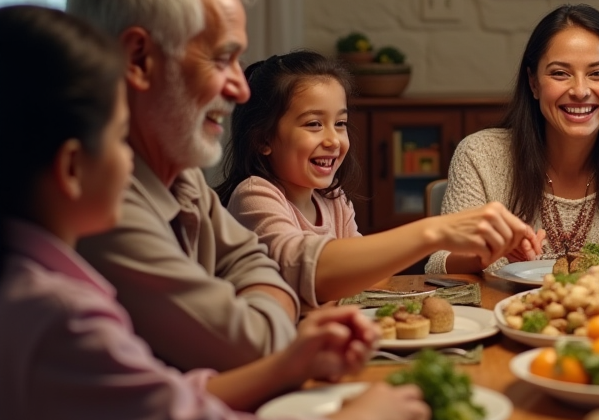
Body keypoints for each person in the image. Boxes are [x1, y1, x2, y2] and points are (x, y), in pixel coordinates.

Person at [0, 5, 432, 420]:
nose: (132, 160)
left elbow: (160, 402)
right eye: (120, 139)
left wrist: (289, 364)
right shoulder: (55, 317)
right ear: (71, 168)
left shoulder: (46, 289)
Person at [68, 0, 300, 372]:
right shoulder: (103, 203)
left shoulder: (177, 169)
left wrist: (258, 306)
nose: (242, 89)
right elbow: (253, 344)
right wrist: (265, 312)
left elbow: (255, 263)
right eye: (222, 59)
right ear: (138, 58)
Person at [217, 51, 539, 308]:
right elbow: (309, 271)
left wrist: (483, 254)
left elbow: (369, 277)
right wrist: (433, 233)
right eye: (314, 124)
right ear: (263, 140)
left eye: (340, 123)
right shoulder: (254, 195)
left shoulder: (331, 198)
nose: (333, 139)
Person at [428, 5, 599, 274]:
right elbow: (438, 265)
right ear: (533, 83)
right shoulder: (480, 155)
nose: (580, 91)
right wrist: (486, 254)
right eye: (559, 73)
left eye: (598, 73)